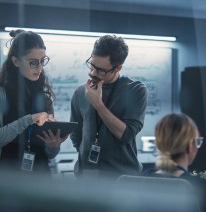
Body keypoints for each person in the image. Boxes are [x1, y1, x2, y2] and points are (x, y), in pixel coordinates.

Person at [70, 35, 147, 177]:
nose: (93, 73)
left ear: (118, 68)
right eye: (92, 65)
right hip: (86, 177)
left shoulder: (136, 90)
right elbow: (76, 133)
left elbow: (126, 134)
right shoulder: (81, 92)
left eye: (101, 70)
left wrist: (98, 105)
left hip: (122, 178)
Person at [0, 29, 67, 174]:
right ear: (16, 61)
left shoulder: (44, 95)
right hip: (9, 178)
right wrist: (29, 120)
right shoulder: (2, 93)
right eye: (33, 63)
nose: (40, 68)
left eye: (43, 61)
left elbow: (51, 155)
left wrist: (54, 145)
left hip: (41, 177)